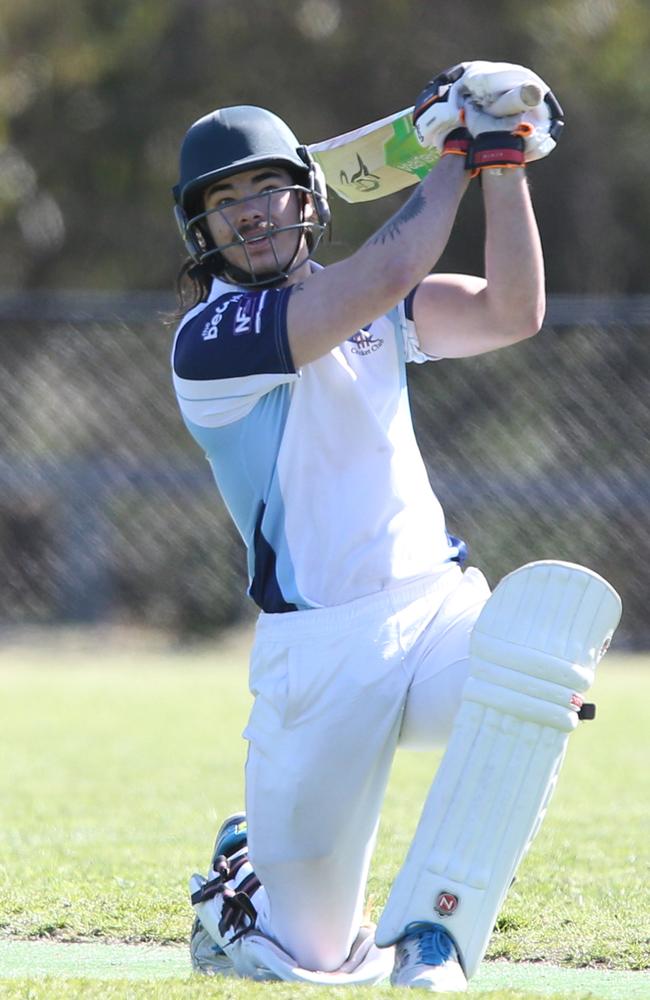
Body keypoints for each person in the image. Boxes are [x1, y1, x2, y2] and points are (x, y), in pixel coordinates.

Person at [170, 62, 621, 992]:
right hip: (318, 655)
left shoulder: (376, 307)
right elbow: (393, 268)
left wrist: (505, 159)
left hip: (436, 612)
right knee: (313, 961)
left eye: (269, 189)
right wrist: (452, 146)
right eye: (226, 202)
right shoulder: (212, 341)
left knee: (536, 669)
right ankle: (244, 888)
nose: (251, 213)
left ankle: (431, 936)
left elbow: (511, 311)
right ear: (203, 230)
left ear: (308, 200)